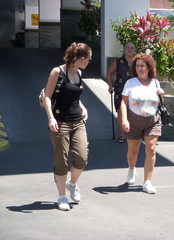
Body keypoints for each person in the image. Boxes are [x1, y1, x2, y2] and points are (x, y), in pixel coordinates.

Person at [43, 42, 91, 211]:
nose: (89, 62)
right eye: (89, 59)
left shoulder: (78, 72)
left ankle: (72, 184)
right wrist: (51, 118)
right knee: (61, 161)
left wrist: (83, 108)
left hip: (78, 121)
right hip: (60, 122)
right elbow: (47, 97)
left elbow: (74, 97)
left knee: (82, 157)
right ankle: (62, 196)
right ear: (82, 58)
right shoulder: (58, 72)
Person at [120, 53, 164, 194]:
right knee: (133, 152)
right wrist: (124, 119)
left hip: (153, 121)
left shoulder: (155, 83)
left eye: (142, 66)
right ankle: (131, 169)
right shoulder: (130, 83)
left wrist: (161, 94)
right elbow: (123, 102)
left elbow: (160, 103)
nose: (139, 68)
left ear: (149, 67)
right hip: (134, 121)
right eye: (137, 66)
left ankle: (147, 182)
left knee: (151, 149)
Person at [107, 42, 136, 143]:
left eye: (131, 48)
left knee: (134, 112)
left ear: (134, 51)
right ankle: (122, 134)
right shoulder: (118, 62)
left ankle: (133, 133)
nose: (129, 49)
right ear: (124, 50)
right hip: (120, 90)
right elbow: (109, 73)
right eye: (127, 47)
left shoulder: (138, 62)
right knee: (120, 112)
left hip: (135, 91)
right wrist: (110, 86)